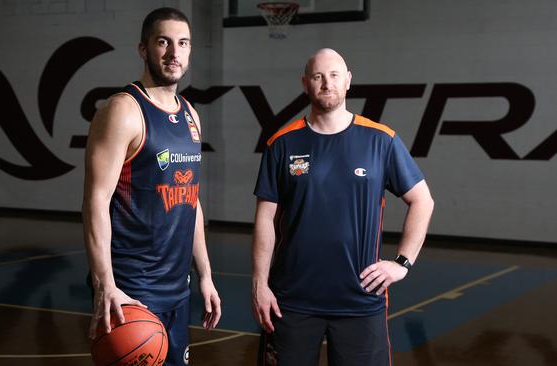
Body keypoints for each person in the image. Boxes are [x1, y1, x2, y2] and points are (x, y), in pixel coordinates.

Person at [252, 48, 434, 366]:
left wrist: (402, 263)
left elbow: (422, 200)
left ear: (348, 81)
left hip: (360, 300)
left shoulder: (381, 140)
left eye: (334, 75)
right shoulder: (282, 144)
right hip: (291, 302)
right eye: (318, 76)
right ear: (305, 83)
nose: (327, 83)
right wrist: (259, 284)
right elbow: (265, 218)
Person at [82, 7, 221, 365]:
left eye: (183, 43)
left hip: (178, 289)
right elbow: (96, 202)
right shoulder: (123, 110)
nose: (174, 53)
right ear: (144, 49)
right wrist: (105, 285)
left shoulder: (190, 114)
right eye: (164, 42)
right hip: (132, 290)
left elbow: (190, 199)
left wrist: (205, 275)